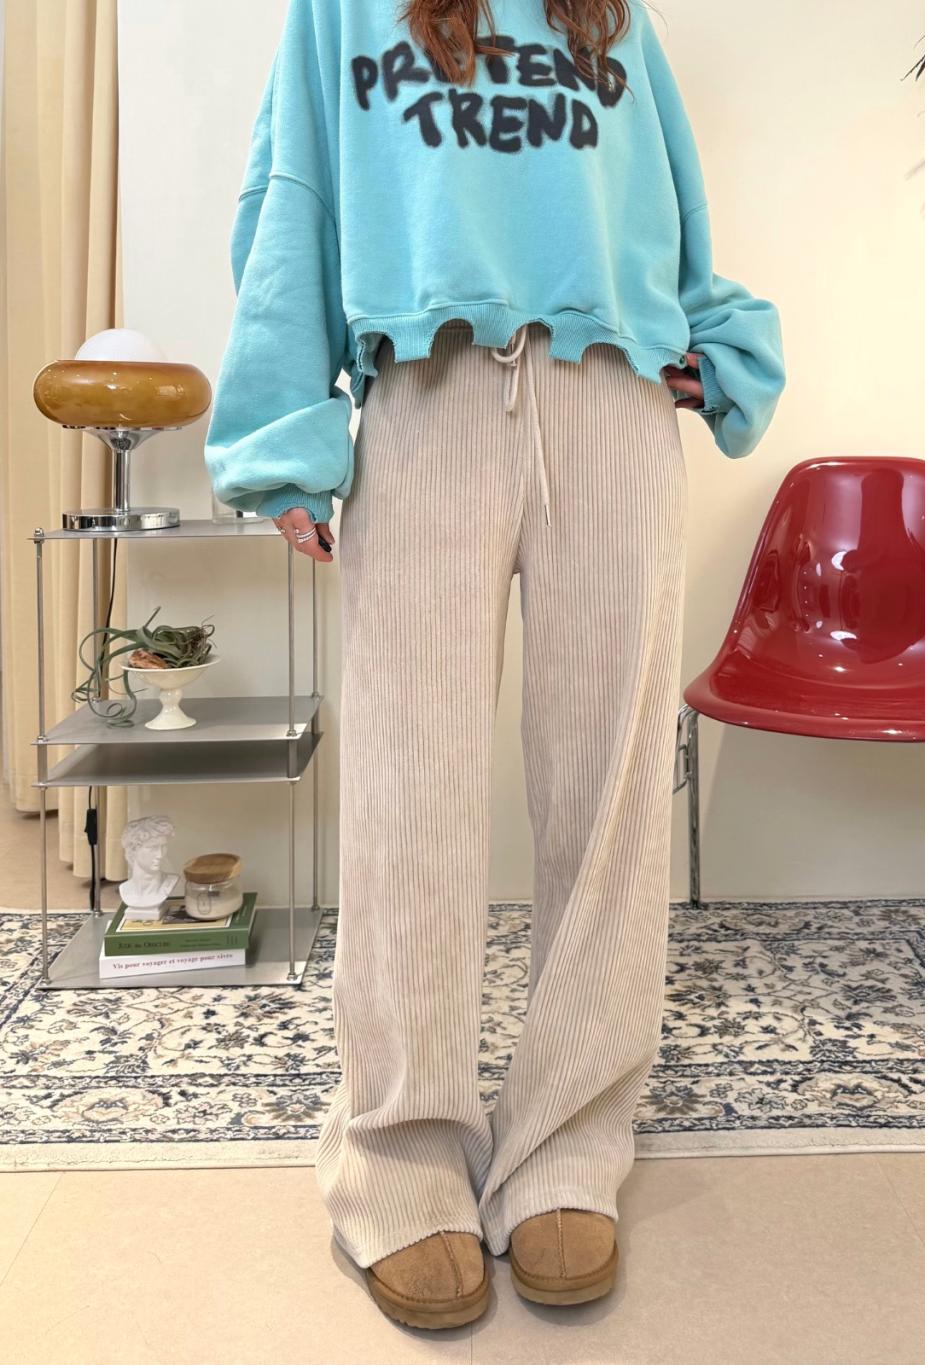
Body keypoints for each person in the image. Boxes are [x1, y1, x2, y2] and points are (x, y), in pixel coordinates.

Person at [205, 0, 785, 1332]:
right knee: (410, 798)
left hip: (611, 405)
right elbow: (292, 195)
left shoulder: (609, 14)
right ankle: (402, 1157)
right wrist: (286, 431)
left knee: (610, 797)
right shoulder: (343, 10)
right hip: (429, 395)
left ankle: (569, 1146)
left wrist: (709, 342)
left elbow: (669, 198)